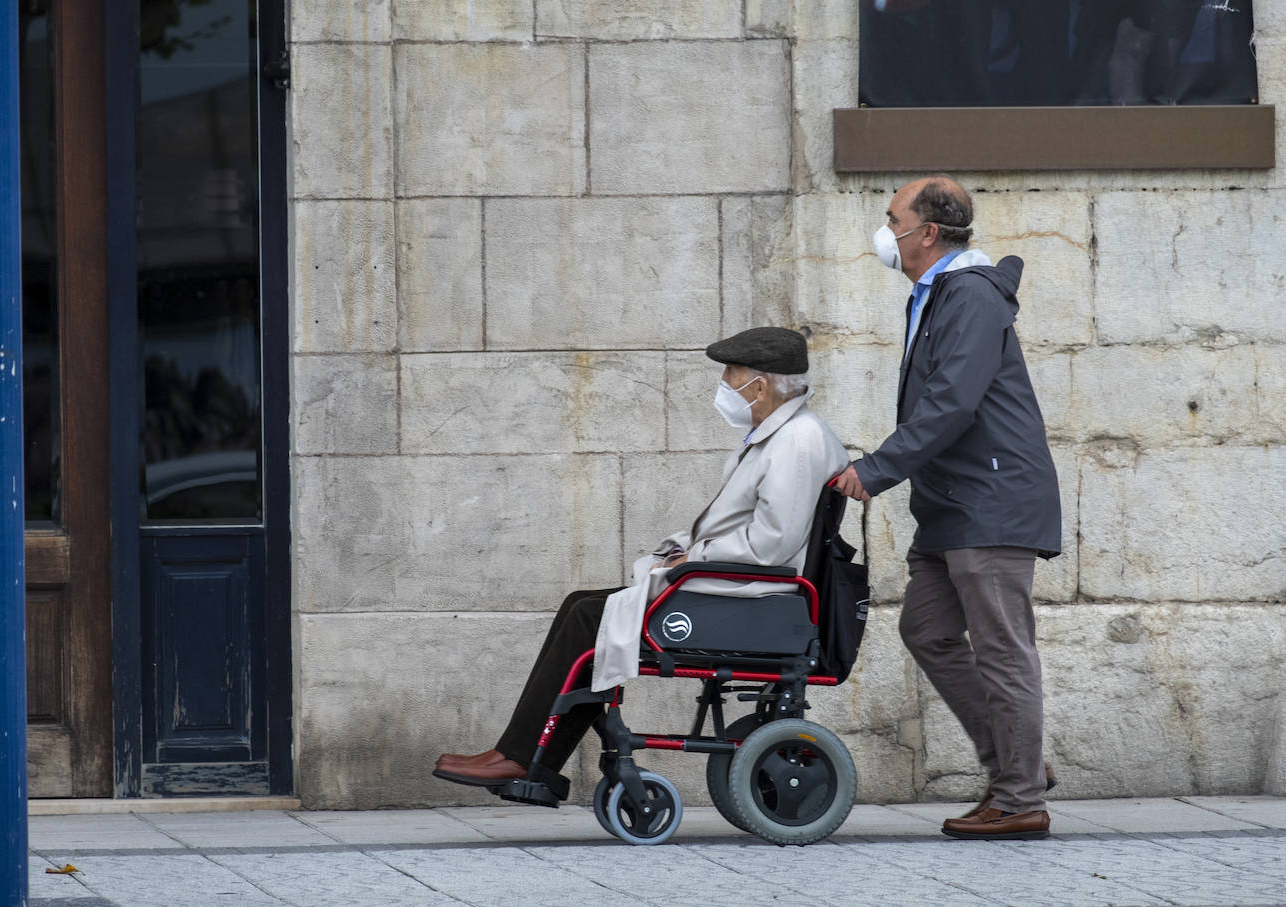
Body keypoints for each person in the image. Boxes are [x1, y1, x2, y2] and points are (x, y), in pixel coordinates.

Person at [434, 327, 848, 788]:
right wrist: (681, 551)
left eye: (731, 372)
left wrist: (693, 557)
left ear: (762, 385)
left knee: (590, 617)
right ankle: (525, 757)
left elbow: (770, 545)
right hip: (738, 585)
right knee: (582, 606)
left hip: (754, 595)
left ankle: (524, 758)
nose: (725, 383)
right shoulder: (780, 435)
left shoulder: (796, 442)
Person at [833, 176, 1061, 841]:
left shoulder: (968, 295)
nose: (886, 232)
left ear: (927, 232)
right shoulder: (941, 295)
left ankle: (1019, 800)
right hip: (955, 504)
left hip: (992, 502)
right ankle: (1019, 767)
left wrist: (874, 470)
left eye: (892, 219)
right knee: (927, 628)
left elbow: (952, 401)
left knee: (1003, 650)